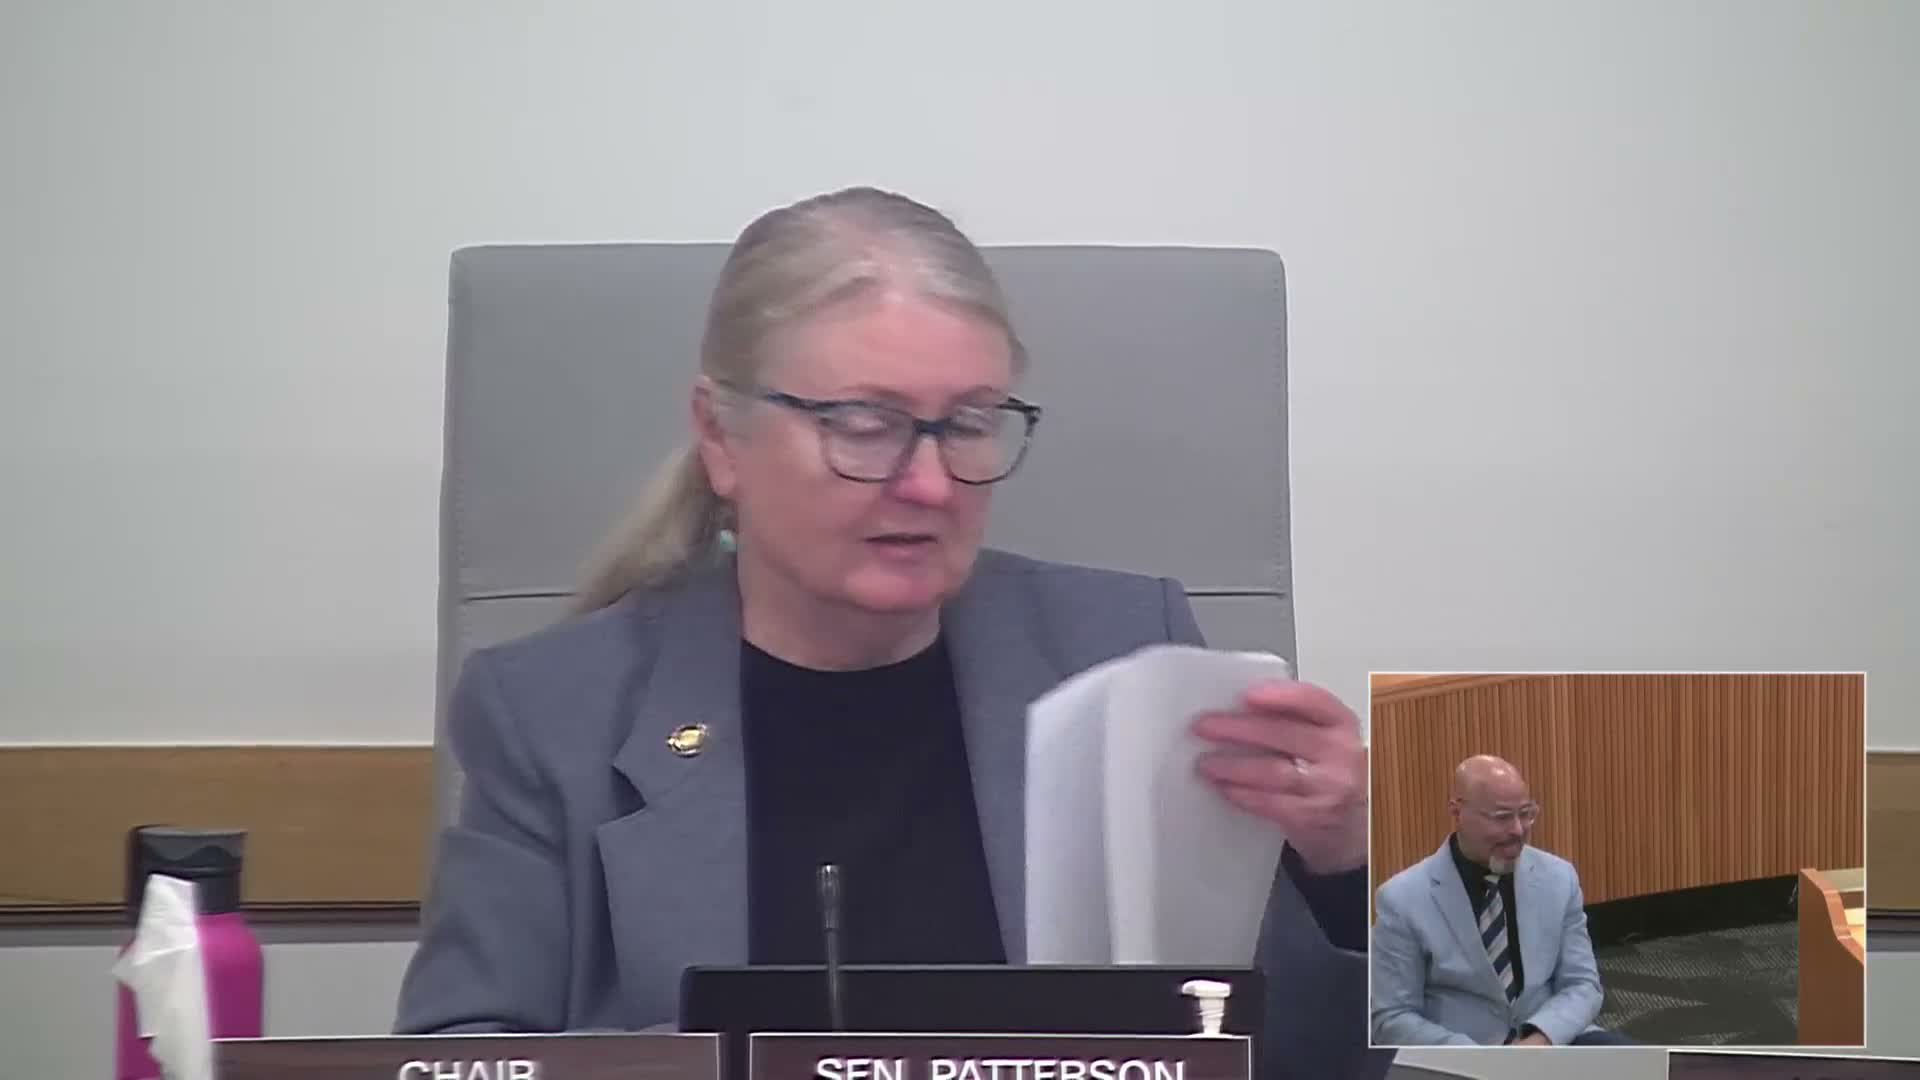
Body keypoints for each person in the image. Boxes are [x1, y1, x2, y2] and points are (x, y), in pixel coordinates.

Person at [394, 187, 1390, 1079]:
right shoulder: (552, 715)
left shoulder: (1126, 655)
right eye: (865, 425)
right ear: (721, 436)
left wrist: (1345, 866)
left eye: (968, 423)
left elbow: (1286, 1055)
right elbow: (460, 1059)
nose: (928, 484)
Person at [1371, 754, 1634, 1047]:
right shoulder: (1402, 899)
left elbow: (1583, 985)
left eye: (1526, 813)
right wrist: (1487, 1061)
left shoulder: (1559, 878)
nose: (1518, 830)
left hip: (1550, 1039)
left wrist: (1541, 1039)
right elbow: (1391, 1018)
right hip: (1463, 1054)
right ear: (1457, 813)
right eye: (1502, 817)